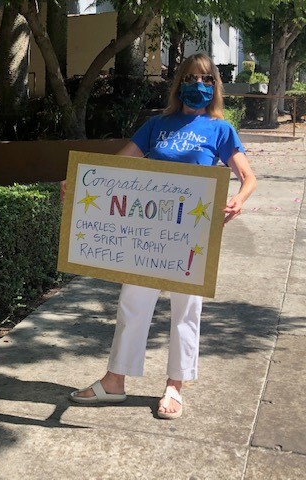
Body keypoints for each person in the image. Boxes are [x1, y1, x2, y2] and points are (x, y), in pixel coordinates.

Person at [67, 53, 257, 419]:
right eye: (189, 77)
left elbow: (248, 177)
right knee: (132, 302)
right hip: (148, 234)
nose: (196, 85)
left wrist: (237, 201)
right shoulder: (156, 125)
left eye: (204, 78)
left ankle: (176, 385)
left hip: (192, 234)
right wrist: (77, 182)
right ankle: (114, 382)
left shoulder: (220, 129)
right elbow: (120, 166)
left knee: (187, 310)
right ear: (178, 83)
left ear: (214, 85)